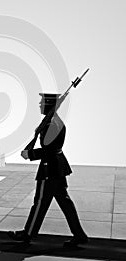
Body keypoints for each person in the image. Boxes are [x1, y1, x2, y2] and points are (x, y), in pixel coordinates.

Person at [8, 93, 88, 247]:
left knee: (40, 203)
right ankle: (79, 235)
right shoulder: (53, 122)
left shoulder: (53, 124)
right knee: (63, 203)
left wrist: (30, 154)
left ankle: (28, 233)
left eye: (42, 102)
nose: (39, 104)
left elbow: (49, 150)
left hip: (50, 169)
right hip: (56, 167)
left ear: (49, 105)